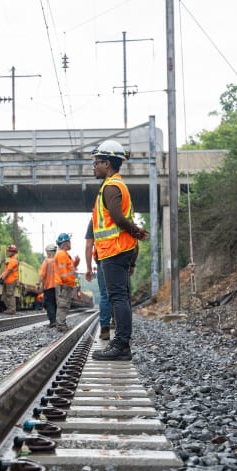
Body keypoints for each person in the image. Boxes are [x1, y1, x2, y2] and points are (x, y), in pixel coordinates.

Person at [89, 140, 150, 360]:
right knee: (120, 297)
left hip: (115, 250)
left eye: (96, 162)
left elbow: (116, 216)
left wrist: (135, 230)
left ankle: (122, 345)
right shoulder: (115, 185)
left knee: (118, 297)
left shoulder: (111, 187)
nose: (94, 166)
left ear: (107, 163)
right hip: (116, 250)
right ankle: (121, 344)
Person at [84, 220, 112, 340]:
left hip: (103, 259)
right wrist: (131, 264)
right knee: (121, 294)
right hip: (120, 258)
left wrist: (89, 268)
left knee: (105, 295)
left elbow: (89, 245)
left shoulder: (95, 218)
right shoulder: (121, 211)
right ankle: (122, 331)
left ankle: (105, 329)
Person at [53, 233, 80, 331]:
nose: (70, 243)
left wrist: (76, 262)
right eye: (69, 241)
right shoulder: (61, 254)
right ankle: (60, 325)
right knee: (63, 305)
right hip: (63, 284)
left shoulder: (65, 254)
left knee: (64, 305)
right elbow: (63, 272)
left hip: (66, 284)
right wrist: (67, 282)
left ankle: (61, 324)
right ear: (65, 243)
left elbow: (71, 267)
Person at [39, 243, 58, 327]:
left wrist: (38, 283)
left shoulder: (46, 261)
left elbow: (42, 275)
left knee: (49, 304)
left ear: (49, 252)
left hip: (49, 286)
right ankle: (58, 321)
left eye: (47, 252)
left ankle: (52, 321)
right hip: (59, 287)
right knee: (57, 304)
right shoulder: (59, 261)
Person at [0, 244, 20, 314]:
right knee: (4, 296)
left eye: (10, 251)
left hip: (11, 280)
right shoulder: (10, 260)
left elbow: (8, 271)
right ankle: (9, 309)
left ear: (13, 252)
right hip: (7, 280)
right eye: (8, 251)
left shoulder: (13, 261)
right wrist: (1, 276)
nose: (8, 252)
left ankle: (12, 310)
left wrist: (2, 278)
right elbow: (5, 270)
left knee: (10, 295)